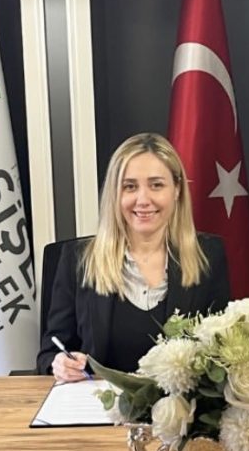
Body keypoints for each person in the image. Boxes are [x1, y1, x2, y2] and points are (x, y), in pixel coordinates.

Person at [37, 133, 229, 380]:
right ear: (115, 194)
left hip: (179, 402)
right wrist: (60, 363)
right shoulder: (78, 261)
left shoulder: (208, 256)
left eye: (156, 185)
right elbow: (49, 353)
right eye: (130, 186)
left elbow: (220, 353)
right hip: (97, 401)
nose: (143, 199)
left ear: (177, 190)